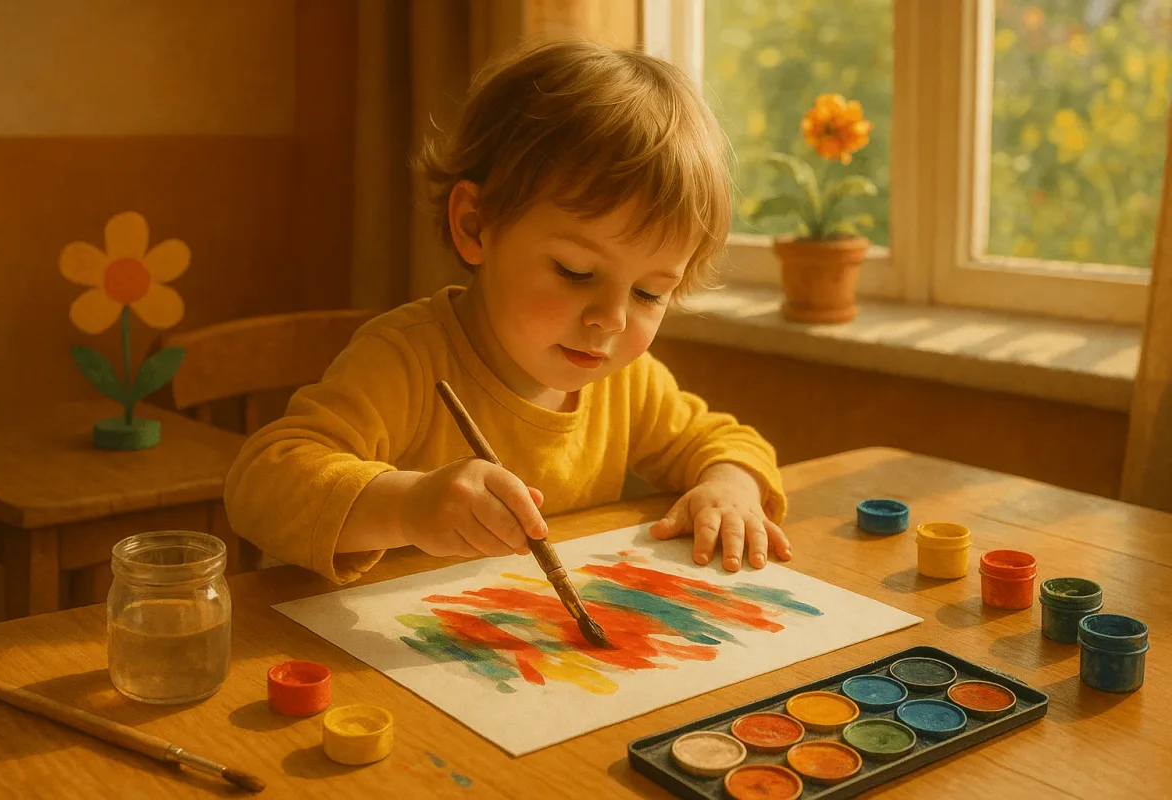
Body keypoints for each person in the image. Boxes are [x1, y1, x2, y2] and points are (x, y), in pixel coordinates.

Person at [224, 37, 792, 585]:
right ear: (475, 225)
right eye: (575, 271)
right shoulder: (406, 361)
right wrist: (408, 506)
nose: (611, 319)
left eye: (649, 293)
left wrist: (730, 487)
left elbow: (726, 440)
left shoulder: (628, 385)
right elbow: (262, 485)